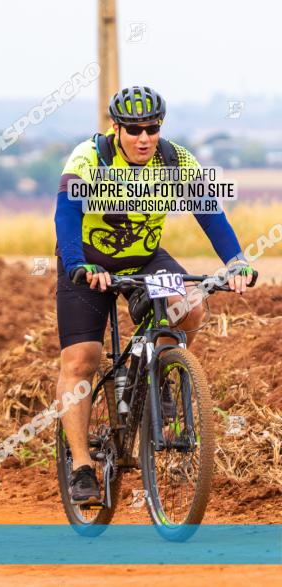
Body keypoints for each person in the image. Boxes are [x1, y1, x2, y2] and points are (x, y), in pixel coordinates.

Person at [53, 86, 254, 504]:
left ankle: (161, 376)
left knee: (191, 304)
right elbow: (66, 215)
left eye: (152, 128)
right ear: (116, 128)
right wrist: (77, 264)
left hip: (144, 260)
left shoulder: (174, 159)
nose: (144, 138)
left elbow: (209, 212)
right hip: (89, 264)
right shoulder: (89, 159)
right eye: (134, 130)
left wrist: (236, 261)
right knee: (82, 359)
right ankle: (82, 467)